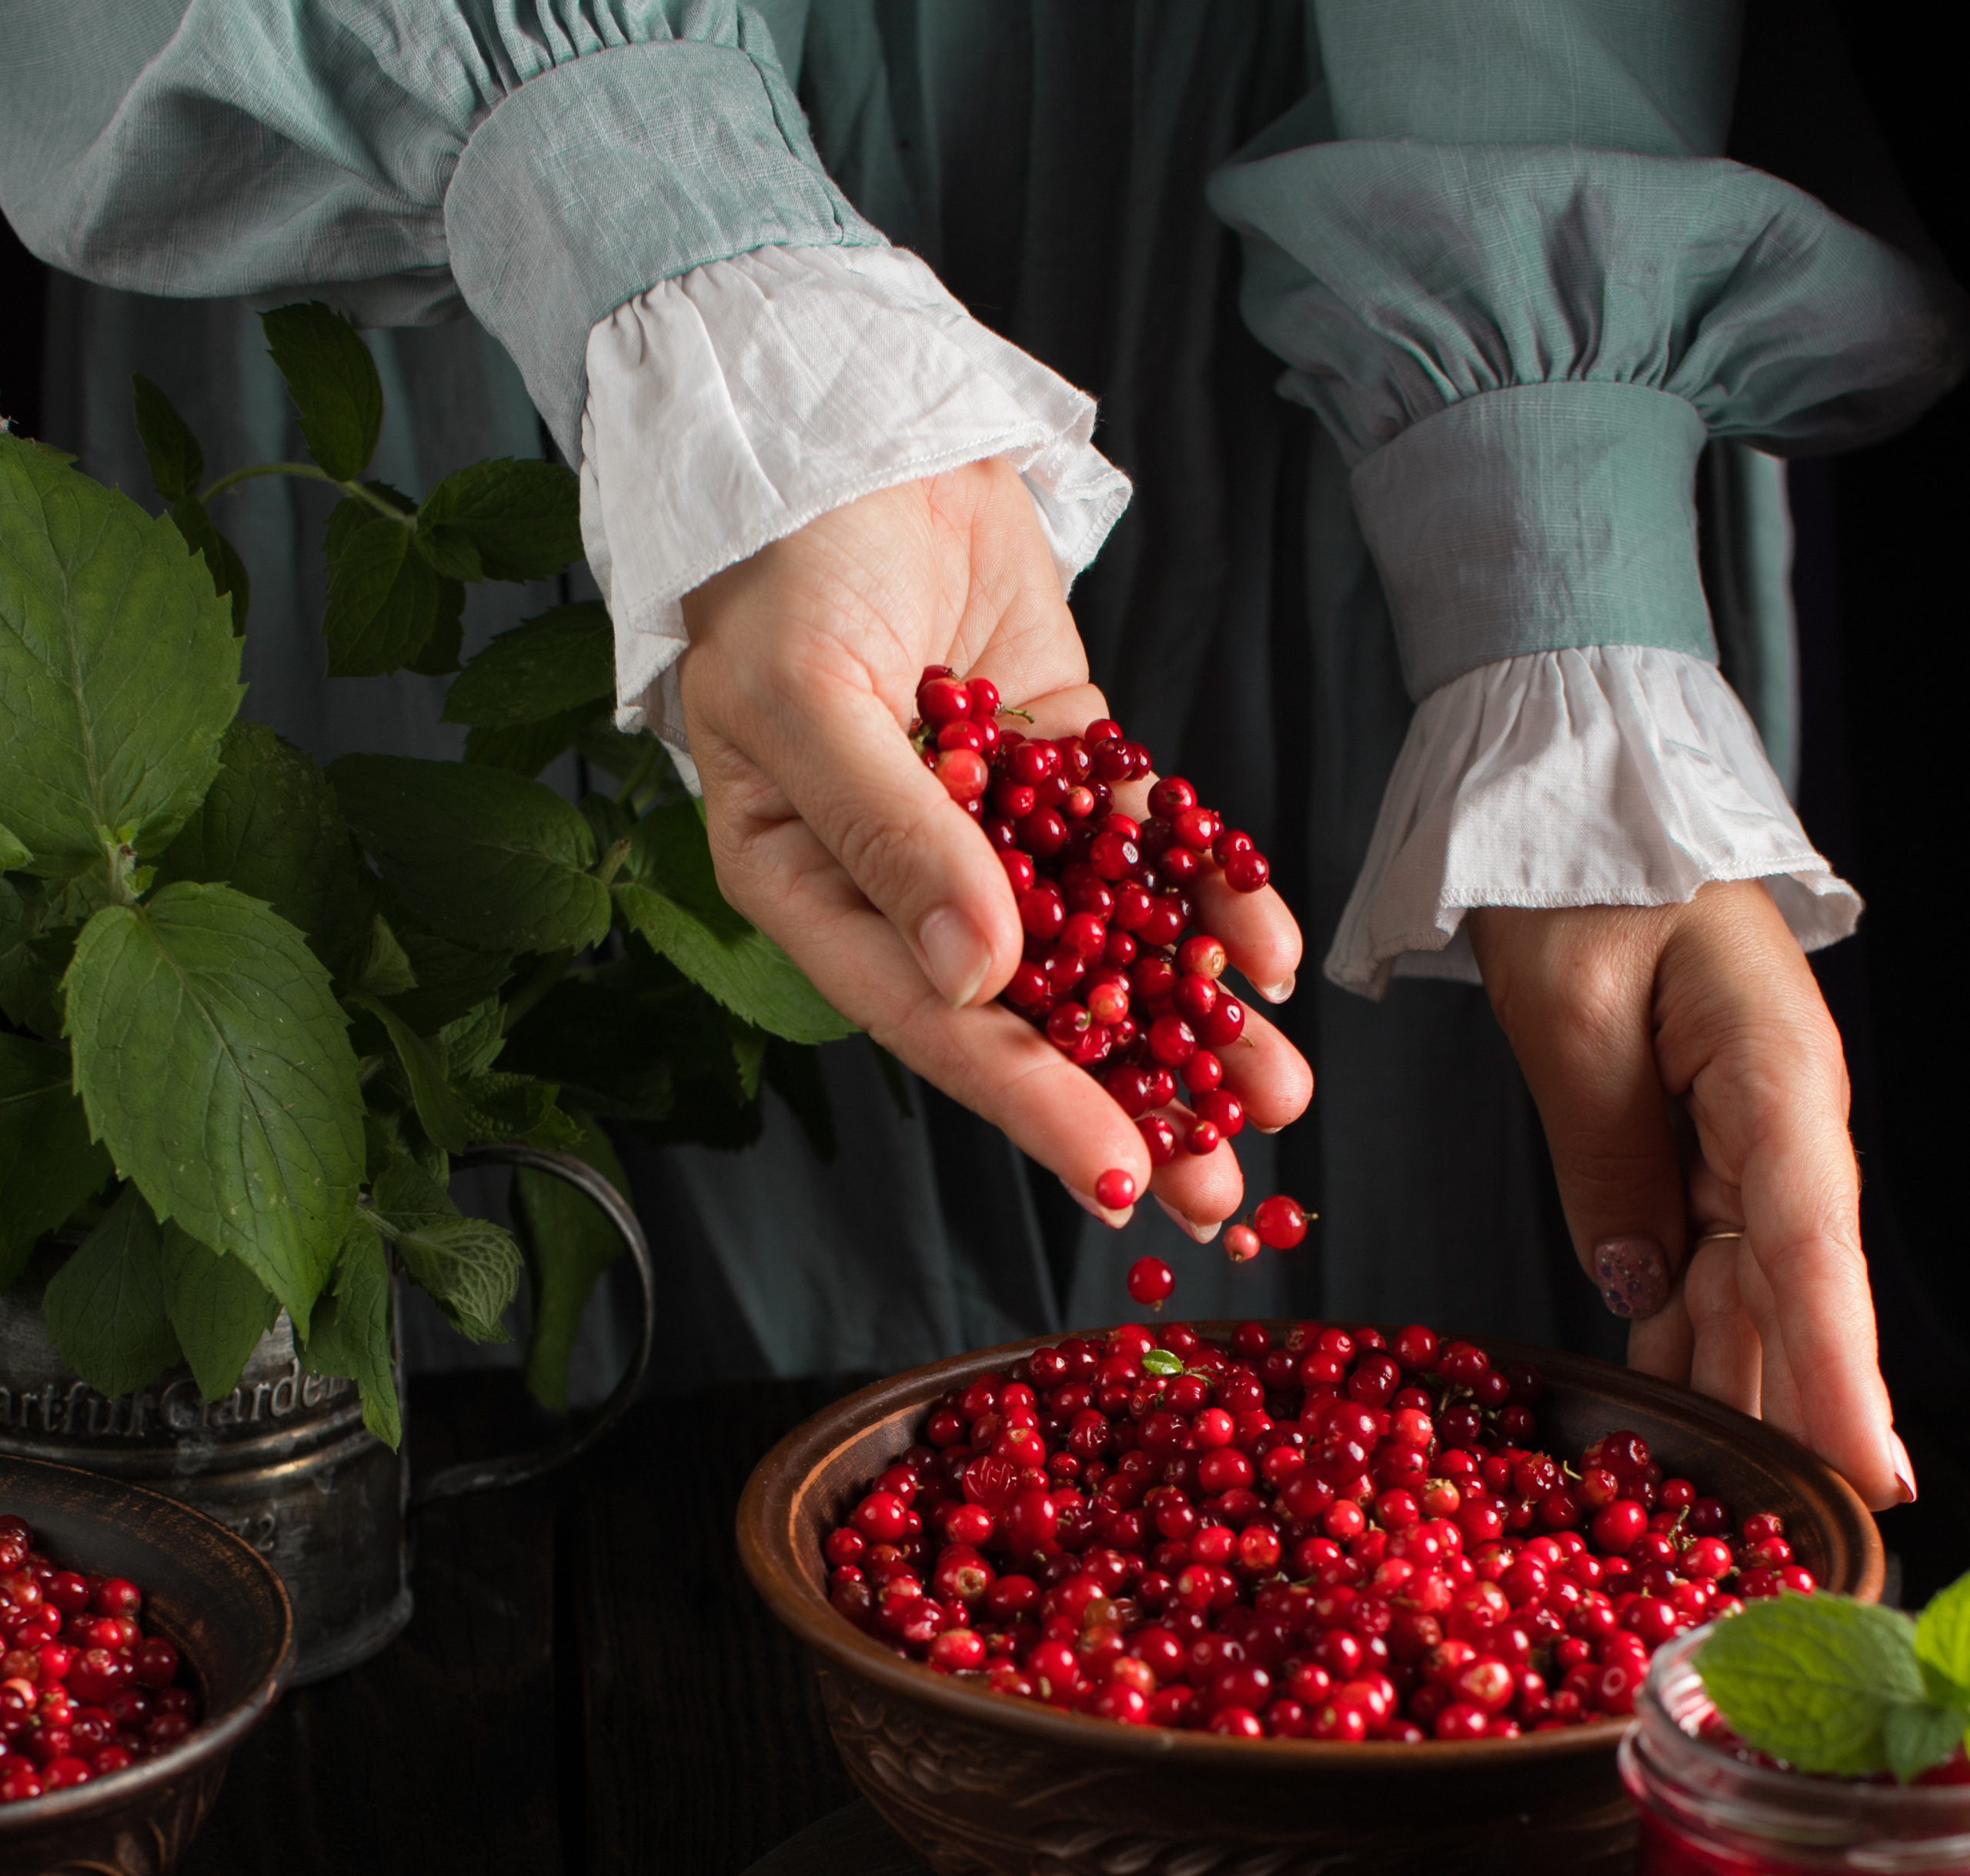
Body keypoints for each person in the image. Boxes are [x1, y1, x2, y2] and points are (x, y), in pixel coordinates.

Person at [6, 0, 1960, 1506]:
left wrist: (1551, 567)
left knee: (1332, 1450)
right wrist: (660, 239)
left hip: (1337, 248)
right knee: (535, 1441)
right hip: (473, 221)